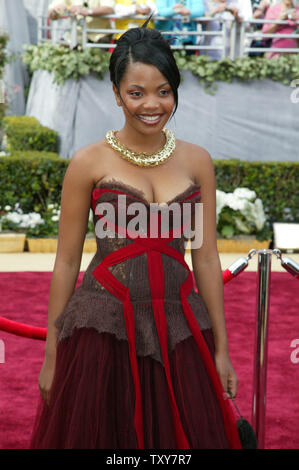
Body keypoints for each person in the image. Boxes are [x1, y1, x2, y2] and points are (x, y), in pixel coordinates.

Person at [29, 20, 242, 449]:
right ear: (115, 93)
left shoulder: (197, 161)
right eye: (137, 92)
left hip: (180, 327)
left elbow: (204, 257)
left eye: (164, 91)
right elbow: (66, 261)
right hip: (103, 328)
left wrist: (221, 348)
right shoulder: (88, 163)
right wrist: (52, 354)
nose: (152, 104)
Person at [48, 0, 115, 44]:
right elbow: (52, 14)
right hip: (75, 39)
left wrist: (87, 12)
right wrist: (57, 10)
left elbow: (109, 9)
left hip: (99, 38)